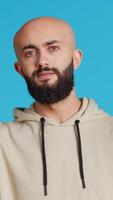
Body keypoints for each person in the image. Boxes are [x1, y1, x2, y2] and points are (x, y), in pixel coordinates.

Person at [0, 16, 113, 200]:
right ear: (19, 69)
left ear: (76, 59)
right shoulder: (3, 141)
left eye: (52, 48)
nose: (42, 61)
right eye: (30, 53)